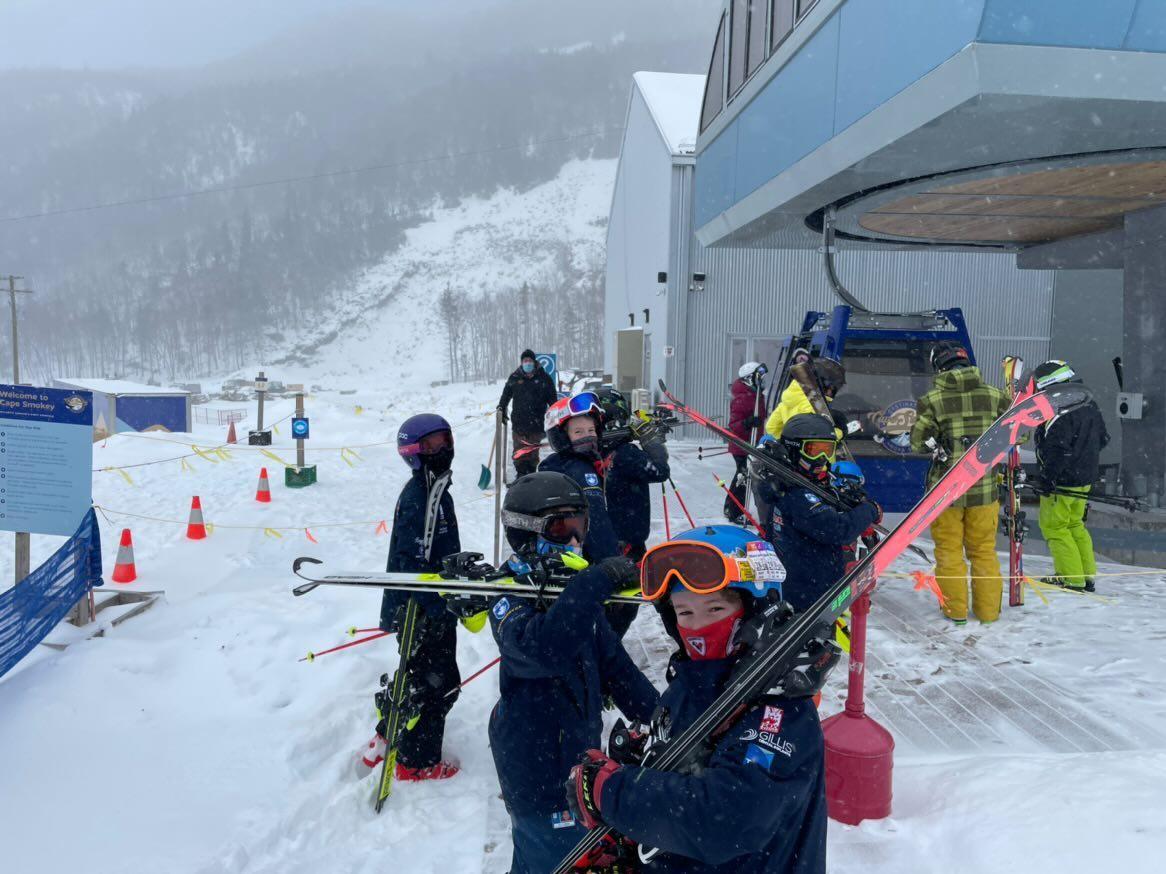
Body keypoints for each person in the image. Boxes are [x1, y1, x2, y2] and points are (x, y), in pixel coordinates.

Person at [564, 526, 830, 873]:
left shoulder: (782, 711)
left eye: (715, 608)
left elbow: (727, 819)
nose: (697, 627)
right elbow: (687, 772)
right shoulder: (690, 682)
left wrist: (615, 793)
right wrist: (644, 766)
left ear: (755, 610)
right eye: (684, 613)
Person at [488, 472, 659, 874]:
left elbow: (617, 669)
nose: (575, 540)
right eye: (560, 528)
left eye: (579, 526)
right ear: (525, 533)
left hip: (576, 755)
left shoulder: (575, 594)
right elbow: (544, 650)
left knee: (558, 855)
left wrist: (667, 719)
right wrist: (595, 581)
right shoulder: (507, 595)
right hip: (534, 768)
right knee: (556, 856)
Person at [362, 414, 461, 781]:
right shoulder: (421, 496)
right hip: (421, 608)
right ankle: (416, 763)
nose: (442, 450)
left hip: (428, 603)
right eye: (432, 445)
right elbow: (411, 563)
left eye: (445, 441)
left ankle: (385, 737)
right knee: (438, 683)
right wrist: (442, 605)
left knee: (416, 676)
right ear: (414, 452)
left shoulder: (435, 487)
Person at [910, 342, 1010, 624]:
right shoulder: (995, 396)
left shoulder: (933, 400)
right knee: (983, 551)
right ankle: (988, 612)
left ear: (939, 366)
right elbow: (1018, 435)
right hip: (985, 489)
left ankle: (955, 612)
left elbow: (918, 442)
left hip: (946, 492)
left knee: (949, 551)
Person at [762, 414, 881, 612]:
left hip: (804, 587)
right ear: (793, 449)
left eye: (827, 450)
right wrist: (870, 510)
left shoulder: (789, 484)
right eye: (813, 450)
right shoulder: (797, 495)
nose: (822, 459)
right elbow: (838, 530)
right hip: (806, 597)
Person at [1030, 360, 1110, 592]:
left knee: (1055, 527)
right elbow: (1103, 439)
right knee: (1075, 524)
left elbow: (1057, 450)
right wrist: (1082, 460)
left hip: (1062, 481)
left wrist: (1047, 478)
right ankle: (1086, 576)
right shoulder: (1087, 404)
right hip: (1085, 478)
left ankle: (1071, 578)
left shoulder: (1060, 411)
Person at [597, 387, 671, 638]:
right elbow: (659, 470)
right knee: (624, 607)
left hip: (611, 539)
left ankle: (604, 648)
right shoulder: (626, 453)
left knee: (615, 605)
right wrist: (651, 440)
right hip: (627, 543)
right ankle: (606, 653)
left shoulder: (603, 448)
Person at [539, 391, 621, 562]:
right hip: (585, 560)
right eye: (578, 432)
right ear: (561, 437)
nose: (588, 436)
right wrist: (609, 558)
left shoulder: (588, 463)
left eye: (591, 430)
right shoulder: (576, 469)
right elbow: (595, 519)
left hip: (582, 558)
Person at [498, 349, 559, 477]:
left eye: (530, 360)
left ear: (534, 361)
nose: (527, 363)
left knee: (532, 454)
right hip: (519, 423)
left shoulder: (544, 378)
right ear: (521, 362)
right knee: (519, 452)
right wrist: (502, 408)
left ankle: (530, 475)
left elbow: (553, 400)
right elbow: (506, 395)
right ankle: (521, 476)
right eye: (525, 361)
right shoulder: (515, 377)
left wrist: (555, 416)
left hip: (537, 424)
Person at [764, 356, 845, 441]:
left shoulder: (789, 398)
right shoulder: (816, 405)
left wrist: (787, 443)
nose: (831, 392)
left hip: (792, 452)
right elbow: (821, 437)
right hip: (809, 453)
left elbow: (772, 428)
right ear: (822, 384)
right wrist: (841, 432)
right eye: (832, 388)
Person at [726, 362, 767, 525]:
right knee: (744, 477)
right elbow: (734, 425)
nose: (763, 382)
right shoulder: (743, 398)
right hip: (742, 445)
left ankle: (730, 507)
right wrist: (749, 422)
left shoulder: (756, 395)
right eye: (760, 378)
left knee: (741, 476)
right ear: (750, 379)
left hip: (752, 443)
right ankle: (735, 512)